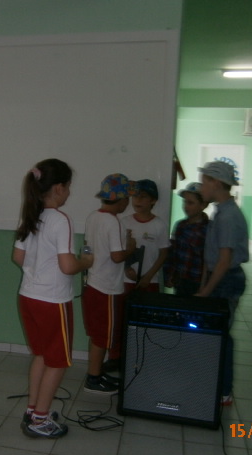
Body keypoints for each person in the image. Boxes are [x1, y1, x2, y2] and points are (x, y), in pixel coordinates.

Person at [13, 158, 93, 439]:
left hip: (28, 297)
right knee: (57, 361)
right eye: (68, 187)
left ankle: (33, 410)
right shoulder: (60, 219)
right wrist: (86, 262)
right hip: (52, 301)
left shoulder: (31, 215)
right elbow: (68, 266)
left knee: (42, 355)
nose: (69, 192)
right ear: (58, 188)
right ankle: (40, 419)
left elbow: (18, 257)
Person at [101, 179, 170, 372]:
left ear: (153, 200)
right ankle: (115, 357)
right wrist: (126, 268)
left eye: (143, 197)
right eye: (135, 196)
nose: (137, 200)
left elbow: (164, 254)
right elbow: (118, 251)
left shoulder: (159, 225)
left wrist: (148, 276)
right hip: (124, 281)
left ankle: (144, 358)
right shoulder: (124, 222)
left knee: (146, 321)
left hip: (149, 282)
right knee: (120, 321)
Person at [196, 161, 249, 406]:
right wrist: (204, 284)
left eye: (204, 182)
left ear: (216, 183)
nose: (201, 188)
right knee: (215, 333)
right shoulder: (221, 211)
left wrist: (206, 292)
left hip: (226, 281)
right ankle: (214, 383)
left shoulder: (228, 216)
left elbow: (224, 261)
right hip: (219, 278)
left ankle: (224, 390)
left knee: (221, 335)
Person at [82, 173, 137, 394]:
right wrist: (131, 247)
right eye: (127, 199)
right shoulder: (114, 222)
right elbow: (116, 256)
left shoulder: (93, 216)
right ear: (122, 200)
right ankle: (93, 378)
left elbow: (89, 248)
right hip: (107, 289)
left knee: (98, 333)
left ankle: (96, 373)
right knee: (103, 336)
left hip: (93, 283)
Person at [164, 182, 209, 297]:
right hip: (180, 280)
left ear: (203, 205)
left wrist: (204, 286)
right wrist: (169, 274)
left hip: (197, 282)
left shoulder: (209, 230)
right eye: (184, 202)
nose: (185, 206)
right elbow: (172, 252)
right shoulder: (180, 225)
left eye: (191, 203)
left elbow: (209, 261)